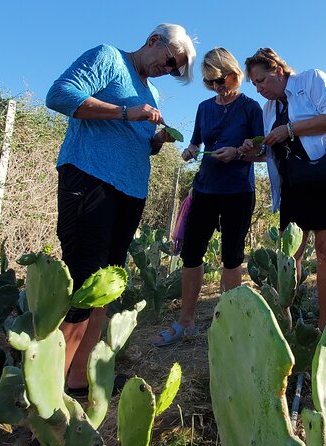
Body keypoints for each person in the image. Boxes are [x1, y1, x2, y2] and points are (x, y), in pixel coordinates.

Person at [45, 24, 196, 393]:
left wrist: (157, 140)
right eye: (171, 60)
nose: (170, 69)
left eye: (176, 69)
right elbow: (59, 95)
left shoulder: (152, 92)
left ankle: (80, 379)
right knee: (84, 286)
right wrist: (126, 113)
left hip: (129, 193)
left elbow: (140, 144)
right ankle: (47, 403)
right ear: (153, 41)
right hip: (90, 180)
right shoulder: (108, 57)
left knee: (106, 287)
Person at [241, 48, 326, 331]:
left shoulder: (311, 81)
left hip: (323, 179)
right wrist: (252, 150)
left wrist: (291, 129)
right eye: (254, 84)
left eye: (262, 80)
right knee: (289, 255)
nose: (259, 89)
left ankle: (324, 326)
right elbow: (273, 149)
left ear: (278, 70)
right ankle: (289, 322)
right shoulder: (269, 109)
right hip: (292, 187)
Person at [152, 47, 265, 346]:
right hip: (204, 188)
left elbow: (264, 152)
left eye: (219, 81)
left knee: (231, 258)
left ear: (232, 75)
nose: (216, 88)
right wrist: (189, 151)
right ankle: (185, 322)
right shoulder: (204, 108)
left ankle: (230, 326)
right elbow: (195, 143)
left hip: (238, 191)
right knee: (191, 255)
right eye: (209, 82)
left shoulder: (251, 108)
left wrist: (240, 153)